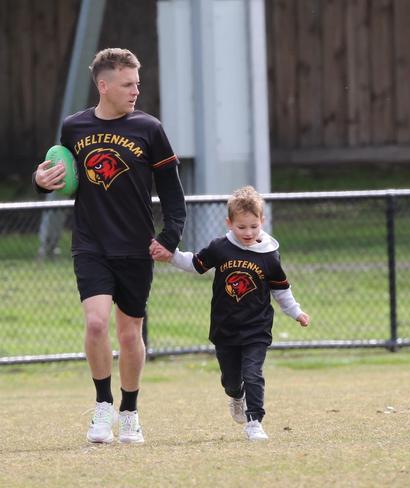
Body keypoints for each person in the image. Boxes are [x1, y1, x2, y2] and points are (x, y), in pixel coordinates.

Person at [33, 48, 186, 444]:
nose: (136, 90)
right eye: (128, 84)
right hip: (91, 243)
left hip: (136, 246)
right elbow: (60, 174)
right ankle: (102, 406)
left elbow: (172, 192)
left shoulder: (150, 129)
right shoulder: (74, 127)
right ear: (104, 85)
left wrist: (169, 237)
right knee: (97, 323)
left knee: (129, 334)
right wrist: (40, 179)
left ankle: (130, 410)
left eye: (137, 83)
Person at [150, 185, 310, 441]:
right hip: (226, 328)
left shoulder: (269, 256)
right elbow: (195, 264)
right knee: (232, 382)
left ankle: (255, 421)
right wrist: (171, 256)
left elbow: (281, 290)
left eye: (253, 227)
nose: (248, 233)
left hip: (257, 329)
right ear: (229, 223)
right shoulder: (220, 248)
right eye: (242, 227)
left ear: (262, 222)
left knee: (253, 373)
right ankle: (236, 396)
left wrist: (297, 312)